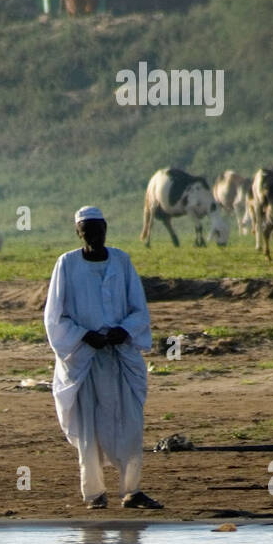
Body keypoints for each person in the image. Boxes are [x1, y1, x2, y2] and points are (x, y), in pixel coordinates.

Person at [44, 206, 162, 510]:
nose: (94, 236)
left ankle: (132, 491)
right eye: (87, 231)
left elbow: (140, 310)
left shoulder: (121, 261)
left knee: (132, 427)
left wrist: (125, 331)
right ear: (78, 232)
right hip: (83, 360)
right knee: (88, 432)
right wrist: (85, 335)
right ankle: (95, 494)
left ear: (106, 229)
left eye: (99, 230)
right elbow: (55, 317)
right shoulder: (67, 264)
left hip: (119, 358)